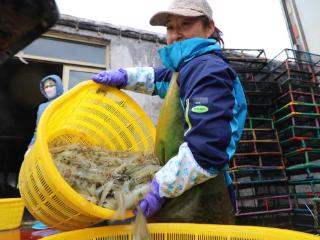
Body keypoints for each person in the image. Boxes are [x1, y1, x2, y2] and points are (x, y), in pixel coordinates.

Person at [92, 0, 247, 223]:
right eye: (170, 28)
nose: (176, 35)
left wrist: (159, 187)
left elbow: (207, 149)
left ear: (209, 27)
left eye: (185, 24)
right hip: (181, 192)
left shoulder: (208, 71)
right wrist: (125, 76)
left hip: (202, 200)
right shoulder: (187, 68)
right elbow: (160, 79)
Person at [26, 74, 64, 229]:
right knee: (45, 182)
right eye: (46, 86)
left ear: (59, 86)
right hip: (44, 148)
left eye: (52, 85)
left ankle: (62, 217)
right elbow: (38, 129)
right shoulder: (41, 107)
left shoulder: (64, 101)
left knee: (61, 182)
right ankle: (48, 219)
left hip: (61, 146)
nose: (49, 89)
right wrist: (30, 147)